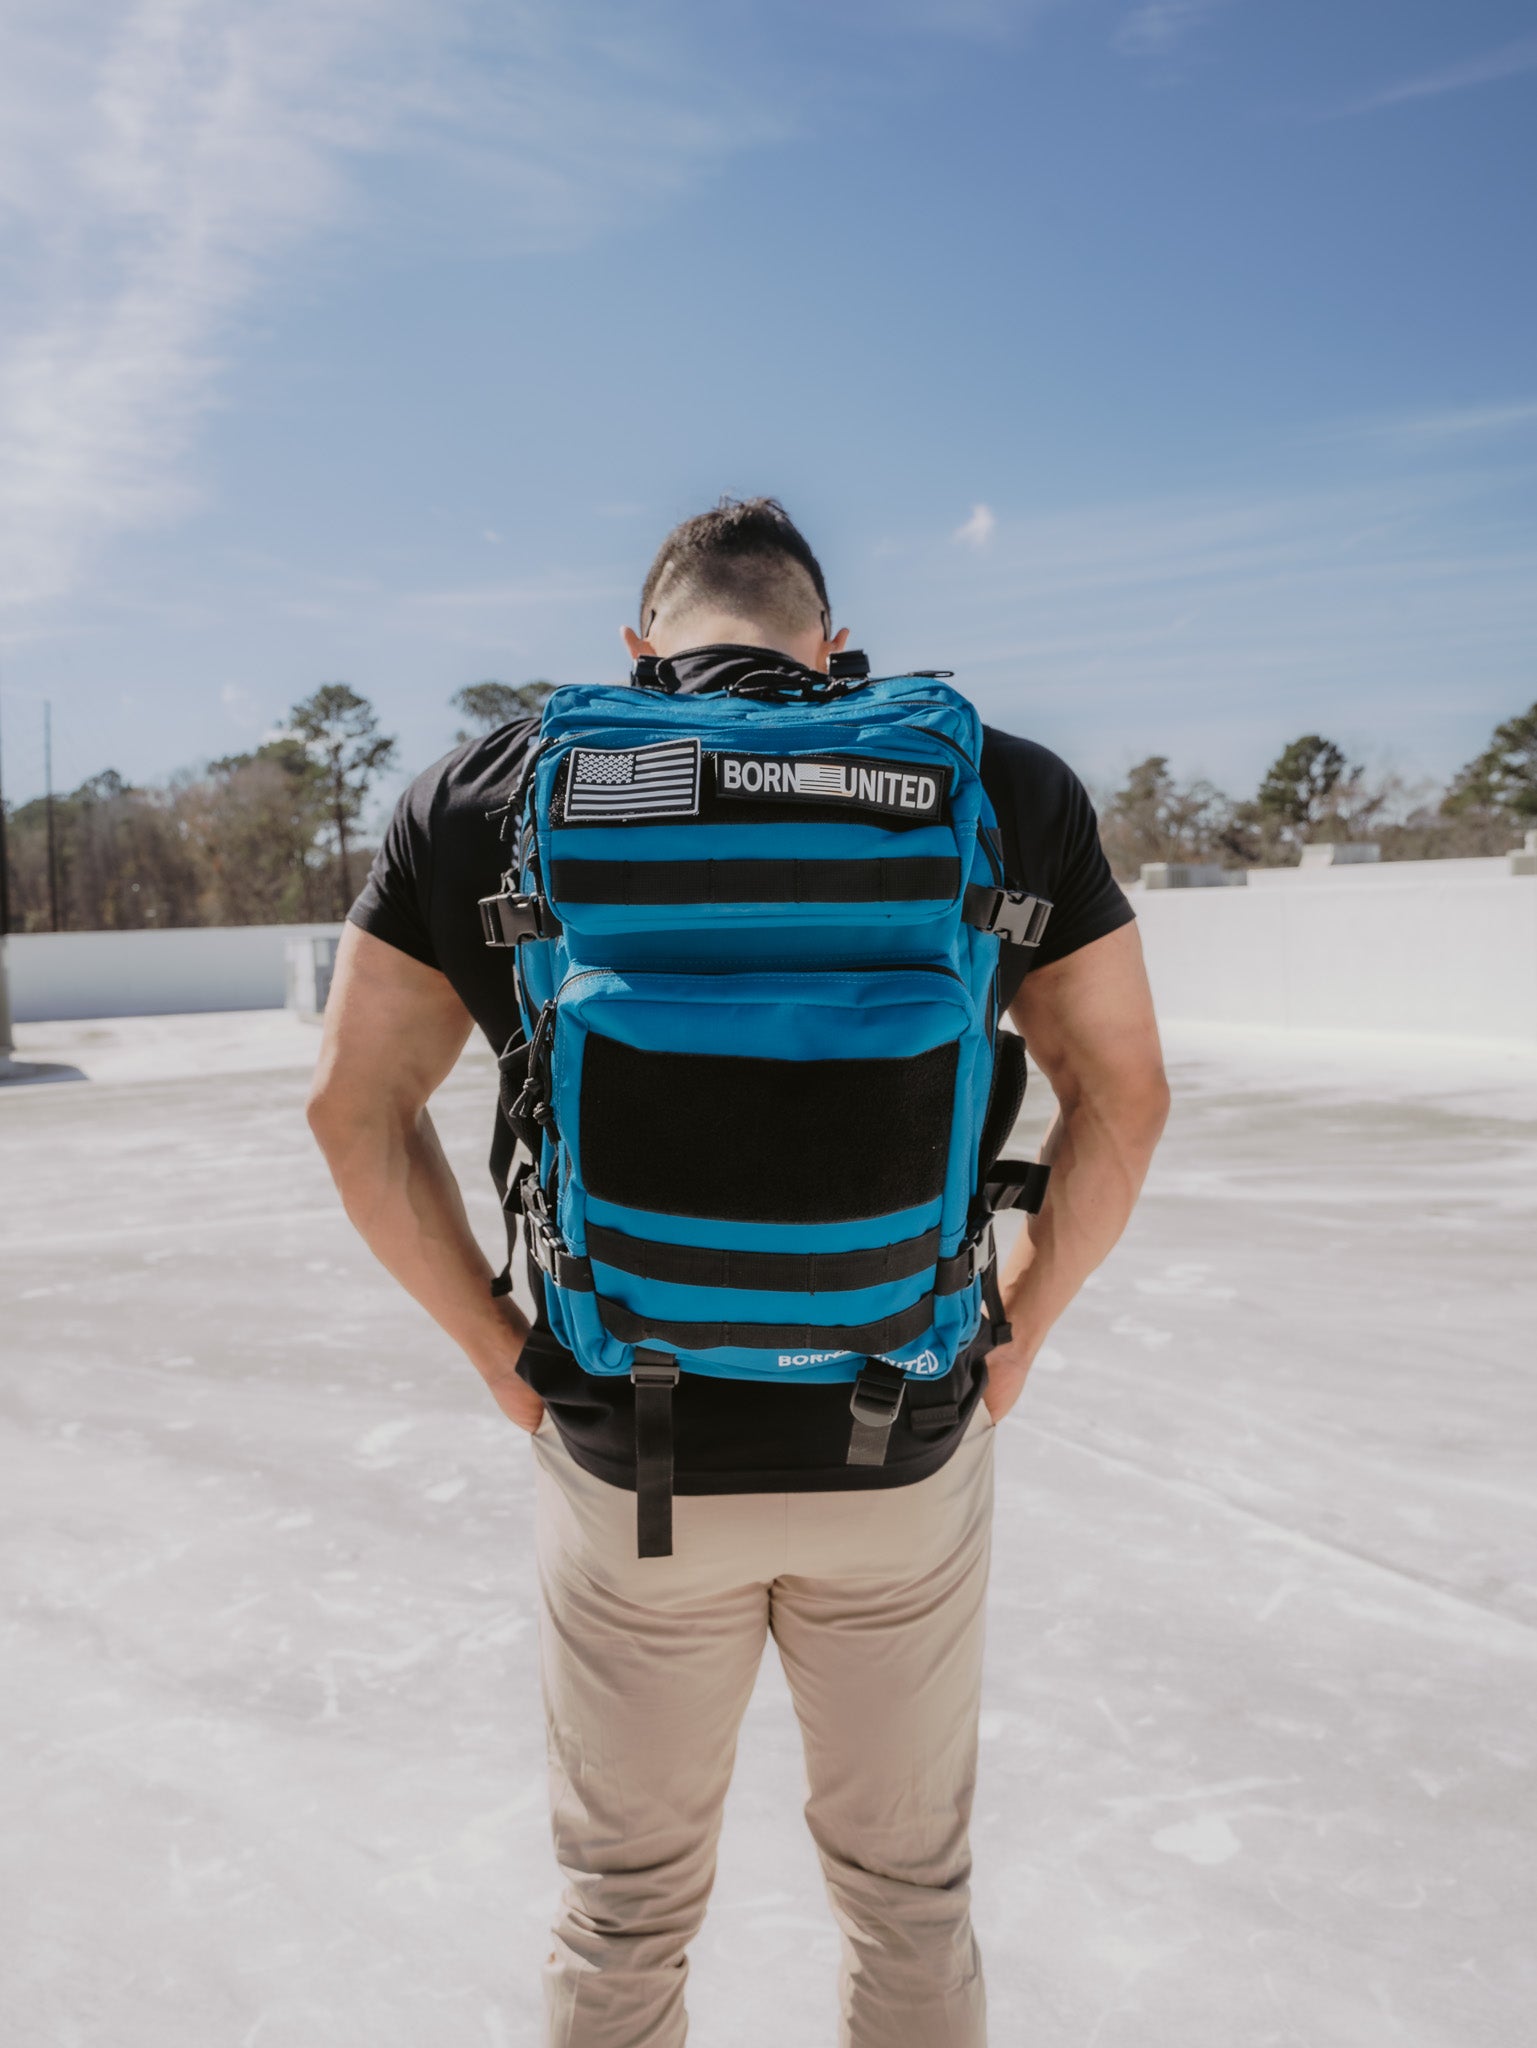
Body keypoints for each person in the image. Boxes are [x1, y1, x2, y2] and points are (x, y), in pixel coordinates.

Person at [307, 497, 1169, 2047]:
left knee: (623, 1907)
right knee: (908, 1896)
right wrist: (1014, 1337)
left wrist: (502, 1355)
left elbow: (350, 1111)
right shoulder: (998, 787)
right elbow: (1125, 1096)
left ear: (637, 653)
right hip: (896, 1440)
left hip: (629, 1452)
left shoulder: (490, 793)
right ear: (830, 647)